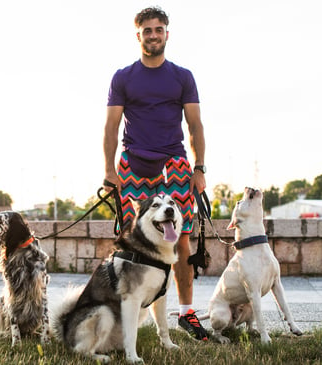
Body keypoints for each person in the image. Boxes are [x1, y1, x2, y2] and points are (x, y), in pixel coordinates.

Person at [103, 6, 208, 341]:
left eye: (158, 29)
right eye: (146, 30)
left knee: (181, 239)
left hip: (175, 165)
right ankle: (125, 311)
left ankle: (186, 314)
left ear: (167, 33)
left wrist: (199, 167)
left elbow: (194, 125)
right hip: (133, 165)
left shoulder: (182, 76)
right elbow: (111, 126)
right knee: (131, 241)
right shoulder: (123, 77)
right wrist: (109, 171)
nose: (153, 35)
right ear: (138, 35)